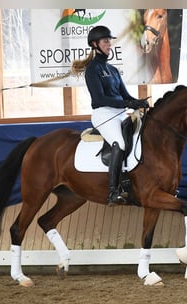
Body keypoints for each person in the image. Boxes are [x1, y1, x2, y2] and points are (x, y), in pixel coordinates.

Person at [72, 25, 148, 206]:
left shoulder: (113, 70)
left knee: (140, 135)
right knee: (120, 142)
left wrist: (138, 102)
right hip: (103, 114)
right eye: (106, 41)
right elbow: (100, 98)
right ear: (95, 44)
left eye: (110, 41)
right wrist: (127, 104)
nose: (109, 44)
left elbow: (125, 95)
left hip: (120, 113)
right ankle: (113, 191)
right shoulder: (92, 69)